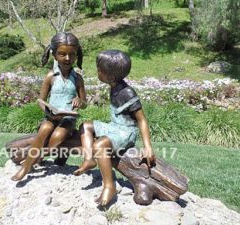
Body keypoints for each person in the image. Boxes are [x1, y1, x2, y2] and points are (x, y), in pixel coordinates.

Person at [74, 50, 155, 206]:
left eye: (99, 69)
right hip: (115, 127)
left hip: (126, 132)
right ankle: (89, 159)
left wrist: (148, 146)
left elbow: (142, 120)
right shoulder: (114, 86)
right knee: (85, 126)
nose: (97, 71)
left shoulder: (127, 93)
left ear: (110, 76)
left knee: (99, 144)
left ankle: (109, 186)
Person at [11, 32, 86, 181]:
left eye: (71, 55)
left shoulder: (78, 79)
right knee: (45, 128)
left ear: (76, 56)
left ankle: (33, 159)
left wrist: (79, 100)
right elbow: (40, 100)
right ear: (54, 55)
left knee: (58, 136)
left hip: (68, 119)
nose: (67, 58)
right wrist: (48, 111)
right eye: (62, 54)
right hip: (51, 116)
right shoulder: (51, 76)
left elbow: (84, 103)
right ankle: (26, 168)